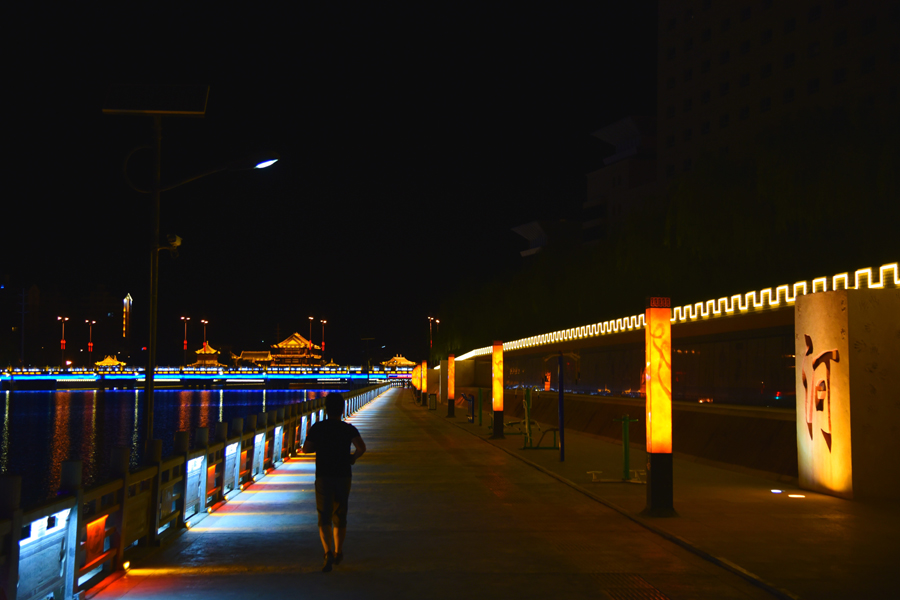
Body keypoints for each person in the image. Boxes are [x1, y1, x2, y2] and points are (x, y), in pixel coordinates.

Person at [302, 392, 366, 572]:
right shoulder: (348, 429)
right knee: (340, 513)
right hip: (344, 475)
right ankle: (338, 551)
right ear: (343, 408)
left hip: (323, 475)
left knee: (324, 514)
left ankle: (327, 552)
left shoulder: (318, 428)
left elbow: (306, 449)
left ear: (326, 409)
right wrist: (352, 458)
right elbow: (361, 447)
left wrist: (319, 447)